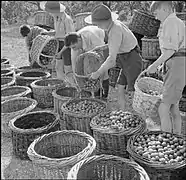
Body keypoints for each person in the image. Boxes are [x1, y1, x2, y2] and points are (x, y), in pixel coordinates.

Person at [84, 4, 142, 110]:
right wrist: (102, 47)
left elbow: (111, 61)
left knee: (133, 92)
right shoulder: (114, 25)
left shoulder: (115, 30)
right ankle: (123, 112)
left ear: (104, 21)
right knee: (120, 88)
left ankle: (137, 117)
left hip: (131, 60)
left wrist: (97, 74)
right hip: (125, 59)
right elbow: (116, 43)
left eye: (98, 24)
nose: (97, 26)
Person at [146, 1, 186, 135]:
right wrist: (163, 65)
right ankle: (177, 136)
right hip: (178, 64)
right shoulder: (176, 22)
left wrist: (154, 65)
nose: (156, 17)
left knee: (163, 108)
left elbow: (170, 50)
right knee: (173, 106)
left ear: (164, 9)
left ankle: (166, 140)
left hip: (176, 65)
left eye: (156, 13)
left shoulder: (170, 22)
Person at [63, 25, 110, 99]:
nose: (74, 49)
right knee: (89, 68)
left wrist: (98, 72)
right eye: (72, 48)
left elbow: (101, 53)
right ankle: (92, 91)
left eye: (74, 47)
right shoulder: (74, 48)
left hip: (102, 39)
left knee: (103, 71)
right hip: (88, 47)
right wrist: (78, 80)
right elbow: (75, 64)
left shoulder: (92, 36)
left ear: (79, 40)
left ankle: (104, 95)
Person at [40, 1, 75, 80]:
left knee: (68, 69)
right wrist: (47, 33)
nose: (49, 14)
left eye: (50, 12)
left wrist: (60, 52)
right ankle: (61, 85)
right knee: (58, 67)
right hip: (58, 45)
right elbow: (57, 32)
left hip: (67, 46)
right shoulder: (56, 18)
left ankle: (70, 87)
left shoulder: (67, 20)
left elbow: (70, 39)